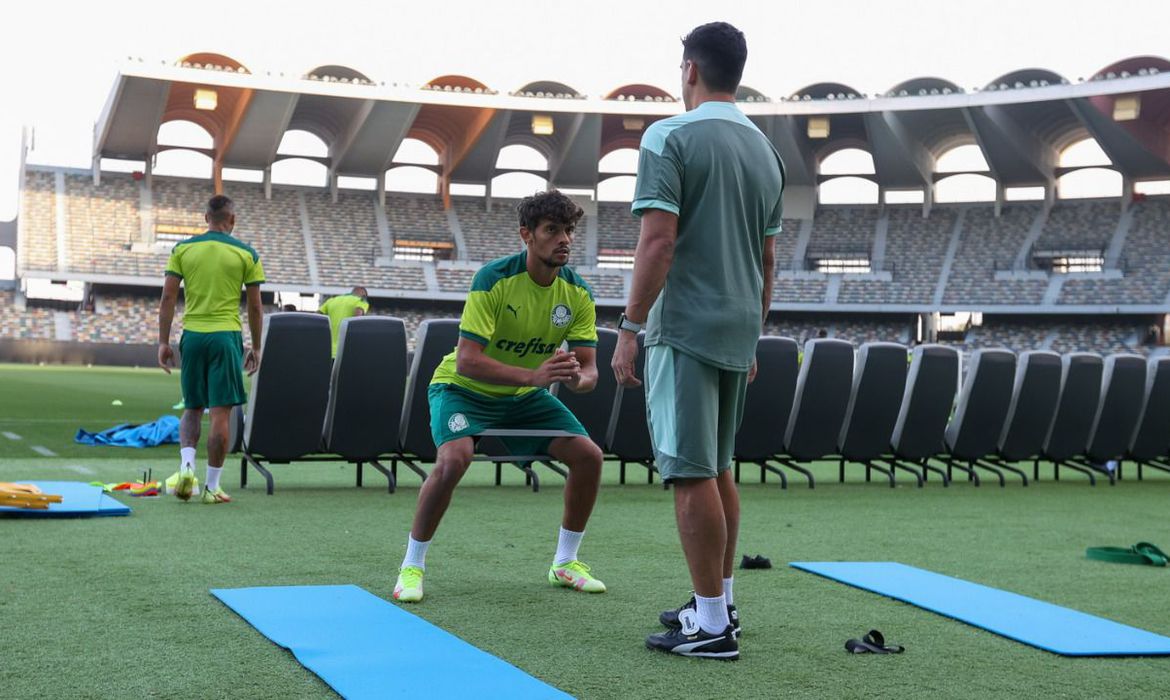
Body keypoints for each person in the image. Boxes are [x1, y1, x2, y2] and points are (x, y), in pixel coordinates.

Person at [612, 21, 784, 660]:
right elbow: (769, 261)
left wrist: (629, 327)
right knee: (717, 468)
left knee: (689, 472)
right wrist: (753, 332)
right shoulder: (766, 151)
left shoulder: (668, 135)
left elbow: (658, 240)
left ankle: (712, 626)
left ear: (689, 69)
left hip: (684, 324)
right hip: (739, 324)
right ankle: (721, 601)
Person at [393, 190, 606, 603]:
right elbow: (470, 361)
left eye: (569, 230)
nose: (564, 239)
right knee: (455, 460)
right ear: (527, 235)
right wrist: (536, 375)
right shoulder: (492, 279)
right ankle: (412, 566)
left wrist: (578, 380)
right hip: (462, 388)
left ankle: (565, 563)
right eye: (552, 230)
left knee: (589, 456)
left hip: (523, 393)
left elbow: (590, 369)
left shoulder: (578, 293)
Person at [158, 194, 265, 505]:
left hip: (191, 335)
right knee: (220, 412)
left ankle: (186, 468)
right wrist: (256, 346)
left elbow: (167, 299)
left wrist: (164, 341)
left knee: (192, 406)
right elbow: (255, 307)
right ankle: (212, 487)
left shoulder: (182, 249)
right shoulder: (246, 253)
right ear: (232, 221)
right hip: (225, 336)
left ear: (206, 218)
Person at [320, 287, 370, 357]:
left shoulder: (332, 300)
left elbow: (318, 316)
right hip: (345, 350)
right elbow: (358, 318)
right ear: (364, 295)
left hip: (327, 350)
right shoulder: (361, 301)